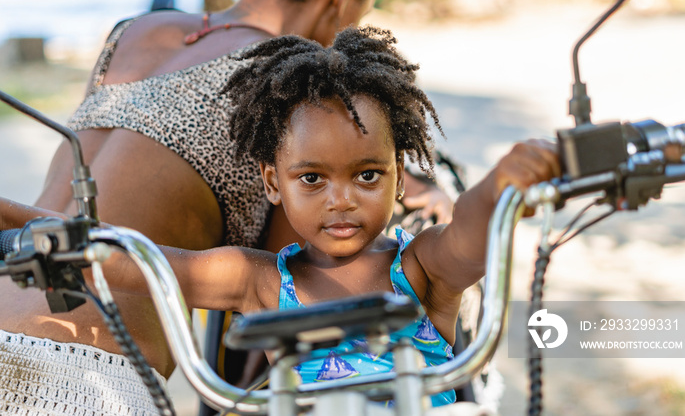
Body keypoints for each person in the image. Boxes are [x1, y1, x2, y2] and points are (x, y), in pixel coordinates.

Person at [0, 0, 453, 413]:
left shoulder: (135, 32)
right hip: (85, 374)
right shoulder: (284, 96)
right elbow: (292, 314)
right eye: (365, 8)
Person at [91, 26, 561, 407]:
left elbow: (468, 237)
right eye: (312, 179)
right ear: (274, 183)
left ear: (399, 176)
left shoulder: (420, 268)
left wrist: (501, 184)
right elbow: (146, 264)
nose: (341, 200)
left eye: (367, 176)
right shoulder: (260, 281)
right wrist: (23, 226)